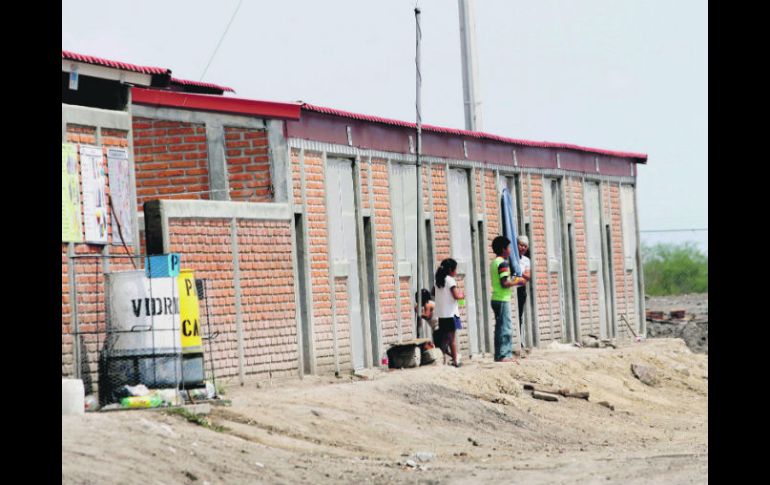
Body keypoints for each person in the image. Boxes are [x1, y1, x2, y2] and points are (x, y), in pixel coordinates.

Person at [490, 236, 525, 362]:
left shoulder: (494, 262)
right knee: (506, 327)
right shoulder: (502, 263)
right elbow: (505, 282)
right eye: (509, 247)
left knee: (499, 327)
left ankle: (499, 355)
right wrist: (517, 281)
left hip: (496, 298)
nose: (511, 250)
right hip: (502, 299)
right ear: (504, 249)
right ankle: (505, 354)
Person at [434, 258, 464, 367]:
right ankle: (456, 361)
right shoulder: (450, 280)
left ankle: (442, 361)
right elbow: (456, 295)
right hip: (451, 314)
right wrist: (462, 295)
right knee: (452, 340)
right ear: (451, 270)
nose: (456, 272)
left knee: (444, 339)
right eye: (455, 269)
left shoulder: (438, 280)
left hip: (442, 314)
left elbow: (433, 292)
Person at [515, 235, 532, 350]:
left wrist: (518, 273)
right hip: (511, 289)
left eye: (525, 246)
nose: (523, 248)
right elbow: (523, 275)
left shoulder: (526, 260)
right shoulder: (512, 258)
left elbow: (527, 276)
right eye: (521, 245)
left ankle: (519, 340)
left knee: (519, 315)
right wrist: (522, 274)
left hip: (521, 290)